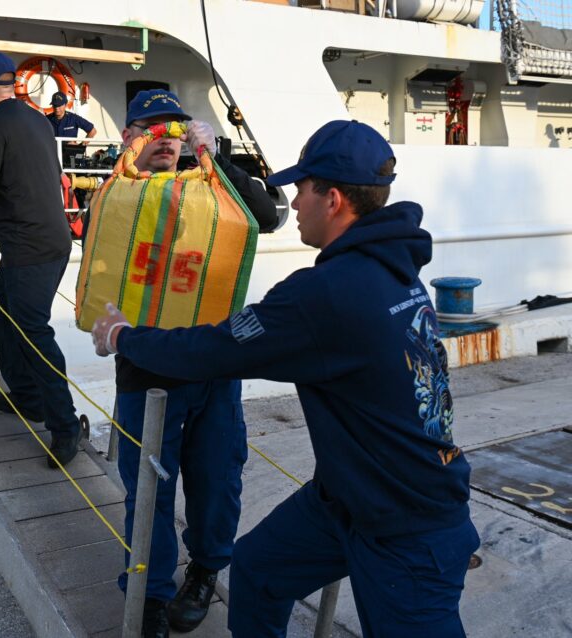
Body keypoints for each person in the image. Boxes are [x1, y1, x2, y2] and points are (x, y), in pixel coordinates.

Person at [91, 120, 480, 638]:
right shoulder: (394, 268)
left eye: (302, 190)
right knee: (257, 571)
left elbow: (214, 349)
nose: (293, 204)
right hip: (346, 500)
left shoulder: (326, 294)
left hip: (406, 525)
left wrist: (123, 336)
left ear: (334, 199)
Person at [97, 89, 278, 638]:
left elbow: (266, 216)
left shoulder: (211, 183)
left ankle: (204, 570)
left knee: (217, 479)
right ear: (129, 137)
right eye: (150, 130)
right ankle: (149, 594)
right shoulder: (119, 191)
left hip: (215, 367)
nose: (165, 141)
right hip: (147, 373)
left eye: (174, 130)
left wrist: (215, 154)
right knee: (148, 490)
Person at [0, 51, 81, 468]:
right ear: (11, 84)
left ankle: (65, 427)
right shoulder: (36, 118)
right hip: (53, 238)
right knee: (2, 308)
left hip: (27, 244)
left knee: (33, 330)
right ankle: (28, 399)